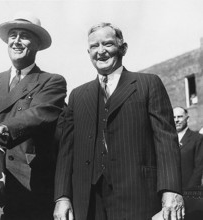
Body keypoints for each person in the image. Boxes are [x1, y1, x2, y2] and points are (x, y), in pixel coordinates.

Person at [54, 22, 184, 220]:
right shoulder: (78, 96)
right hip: (88, 201)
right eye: (94, 46)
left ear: (123, 48)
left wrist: (171, 190)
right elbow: (66, 151)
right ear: (88, 52)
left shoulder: (148, 84)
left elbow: (166, 140)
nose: (101, 51)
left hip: (138, 197)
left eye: (107, 44)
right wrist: (62, 197)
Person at [0, 12, 67, 220]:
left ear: (38, 44)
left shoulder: (51, 82)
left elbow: (38, 115)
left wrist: (5, 129)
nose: (16, 41)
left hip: (31, 187)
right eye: (12, 35)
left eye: (24, 35)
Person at [173, 106, 203, 188]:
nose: (176, 120)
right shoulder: (168, 140)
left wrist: (190, 191)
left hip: (189, 190)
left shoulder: (197, 138)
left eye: (180, 116)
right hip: (171, 191)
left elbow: (199, 168)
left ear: (187, 118)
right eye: (174, 117)